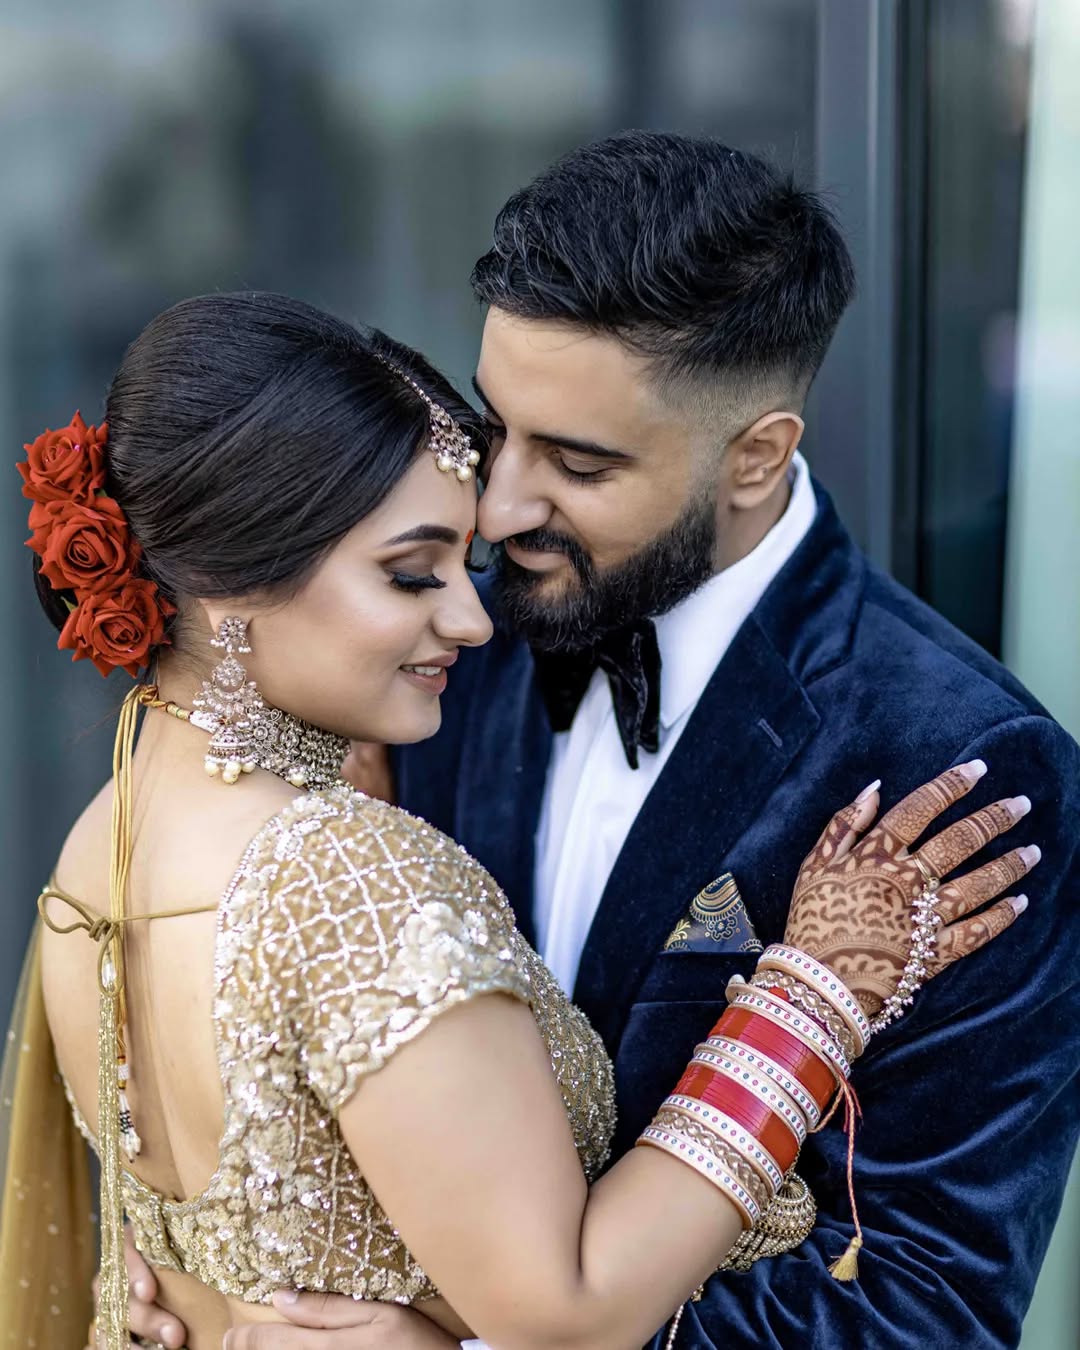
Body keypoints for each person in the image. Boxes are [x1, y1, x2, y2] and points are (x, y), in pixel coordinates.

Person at [130, 133, 1077, 1350]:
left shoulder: (959, 758)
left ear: (758, 457)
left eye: (577, 463)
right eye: (495, 426)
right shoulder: (434, 645)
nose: (503, 504)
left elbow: (925, 1311)